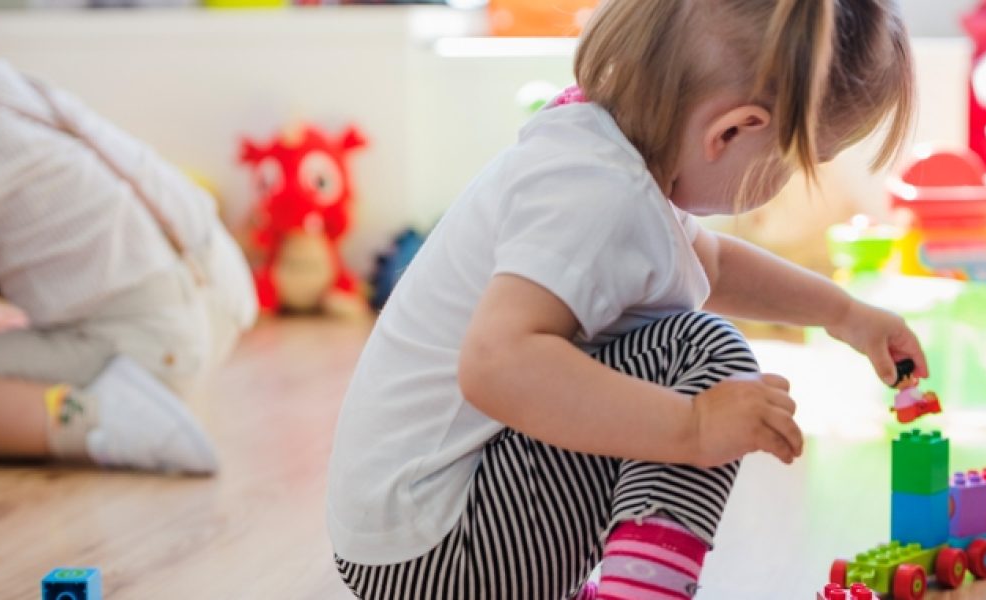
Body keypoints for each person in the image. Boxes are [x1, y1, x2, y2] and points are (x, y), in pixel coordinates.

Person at [326, 0, 925, 597]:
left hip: (409, 535)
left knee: (670, 350)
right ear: (731, 131)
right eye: (795, 165)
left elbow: (712, 264)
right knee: (704, 355)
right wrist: (694, 426)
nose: (783, 184)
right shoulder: (599, 193)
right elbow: (496, 364)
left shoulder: (602, 150)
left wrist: (844, 314)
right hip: (436, 545)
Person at [0, 0, 257, 475]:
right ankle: (139, 395)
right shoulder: (10, 85)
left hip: (157, 338)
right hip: (219, 291)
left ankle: (108, 422)